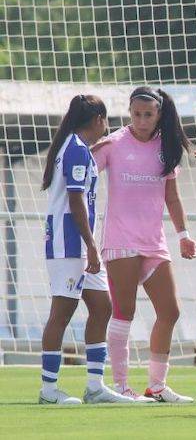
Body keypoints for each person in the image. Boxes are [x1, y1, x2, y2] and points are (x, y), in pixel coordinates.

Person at [93, 87, 196, 403]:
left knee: (170, 311)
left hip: (155, 243)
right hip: (120, 241)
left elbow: (172, 196)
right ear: (129, 112)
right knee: (124, 312)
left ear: (159, 115)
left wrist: (184, 234)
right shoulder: (112, 144)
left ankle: (157, 385)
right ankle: (122, 386)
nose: (141, 120)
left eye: (148, 114)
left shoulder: (166, 148)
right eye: (136, 114)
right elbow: (80, 175)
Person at [39, 94, 133, 405]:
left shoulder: (73, 146)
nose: (106, 126)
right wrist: (92, 245)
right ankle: (49, 390)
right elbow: (76, 200)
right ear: (97, 120)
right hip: (70, 243)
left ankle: (95, 386)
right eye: (105, 120)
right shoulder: (76, 149)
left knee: (103, 307)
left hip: (78, 244)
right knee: (61, 313)